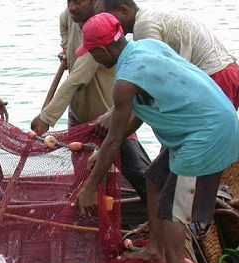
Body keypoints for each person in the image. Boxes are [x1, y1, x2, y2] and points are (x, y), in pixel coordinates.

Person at [75, 13, 239, 263]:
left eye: (90, 52)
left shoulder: (125, 80)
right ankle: (156, 252)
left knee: (172, 209)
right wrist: (101, 154)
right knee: (154, 177)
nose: (92, 58)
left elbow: (114, 140)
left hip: (206, 132)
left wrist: (90, 188)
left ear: (101, 50)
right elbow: (139, 114)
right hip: (202, 124)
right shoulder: (145, 47)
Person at [31, 1, 150, 204]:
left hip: (110, 118)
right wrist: (66, 48)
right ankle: (89, 220)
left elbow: (77, 78)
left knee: (138, 173)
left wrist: (46, 118)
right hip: (78, 116)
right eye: (69, 1)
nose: (73, 7)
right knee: (83, 176)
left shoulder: (101, 29)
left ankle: (163, 214)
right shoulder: (69, 15)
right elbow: (64, 28)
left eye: (79, 1)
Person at [95, 0, 239, 109]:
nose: (107, 24)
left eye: (108, 18)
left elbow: (157, 79)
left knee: (201, 139)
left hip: (215, 76)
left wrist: (118, 110)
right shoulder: (150, 15)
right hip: (231, 72)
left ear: (124, 10)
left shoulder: (144, 26)